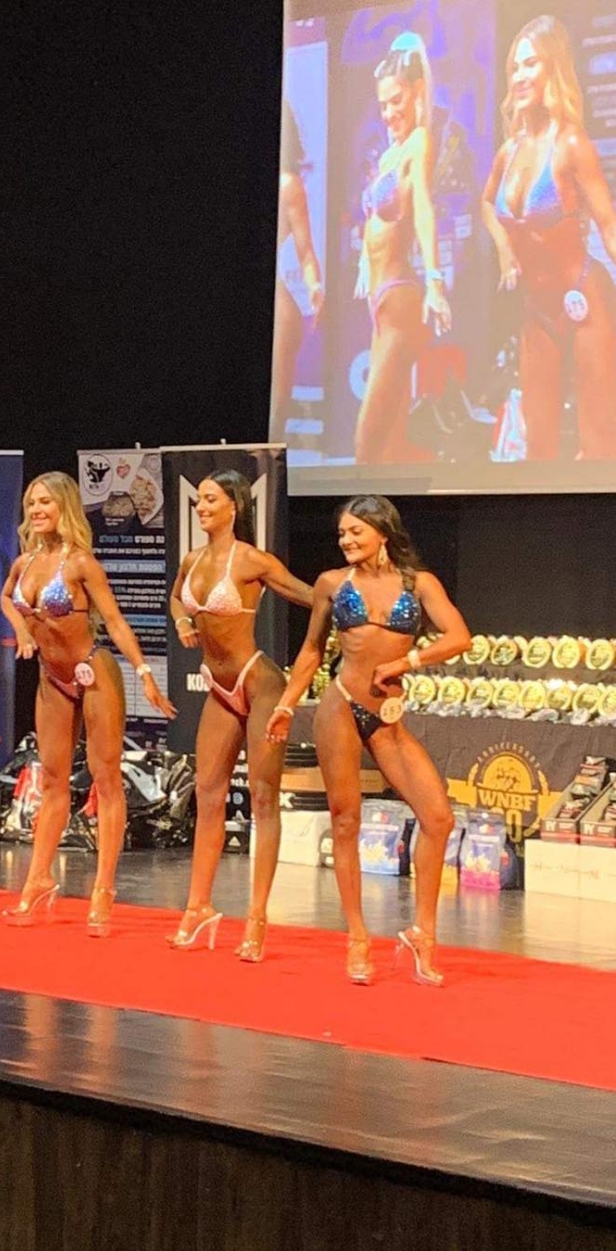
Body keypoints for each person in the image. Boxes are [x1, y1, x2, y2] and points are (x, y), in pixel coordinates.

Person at [265, 495, 471, 986]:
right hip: (339, 705)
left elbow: (459, 637)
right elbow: (312, 652)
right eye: (342, 533)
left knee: (438, 818)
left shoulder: (418, 584)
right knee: (346, 821)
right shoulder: (332, 584)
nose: (346, 540)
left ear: (383, 531)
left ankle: (422, 934)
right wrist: (286, 705)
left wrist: (407, 662)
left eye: (356, 531)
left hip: (386, 716)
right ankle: (357, 937)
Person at [0, 471, 176, 935]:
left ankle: (103, 890)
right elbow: (5, 598)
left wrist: (144, 674)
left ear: (65, 507)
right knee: (52, 779)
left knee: (106, 779)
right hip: (52, 679)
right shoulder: (24, 563)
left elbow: (114, 622)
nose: (37, 510)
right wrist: (21, 632)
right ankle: (38, 880)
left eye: (46, 502)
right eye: (32, 503)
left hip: (94, 672)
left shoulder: (81, 564)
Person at [166, 471, 313, 961]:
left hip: (258, 681)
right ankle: (198, 907)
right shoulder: (193, 559)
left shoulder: (250, 560)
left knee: (263, 798)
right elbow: (176, 597)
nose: (201, 507)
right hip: (219, 687)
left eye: (211, 499)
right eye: (199, 500)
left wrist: (354, 599)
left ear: (235, 506)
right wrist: (183, 620)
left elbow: (308, 595)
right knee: (207, 794)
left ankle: (257, 920)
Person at [482, 14, 616, 460]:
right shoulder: (509, 152)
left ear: (552, 68)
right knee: (538, 452)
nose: (520, 76)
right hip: (536, 311)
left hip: (585, 300)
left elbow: (608, 224)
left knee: (599, 445)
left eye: (531, 64)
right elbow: (487, 204)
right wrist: (505, 252)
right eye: (514, 67)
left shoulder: (571, 144)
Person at [354, 33, 450, 463]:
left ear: (417, 92)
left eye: (397, 101)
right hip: (379, 304)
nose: (390, 112)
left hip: (400, 298)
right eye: (383, 105)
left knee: (366, 442)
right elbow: (373, 220)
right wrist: (362, 262)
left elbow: (424, 208)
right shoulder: (389, 154)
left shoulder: (419, 142)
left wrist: (435, 281)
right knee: (388, 448)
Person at [269, 100, 325, 443]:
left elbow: (306, 253)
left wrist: (315, 287)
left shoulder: (288, 185)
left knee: (273, 420)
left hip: (280, 311)